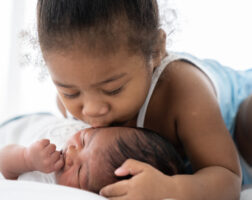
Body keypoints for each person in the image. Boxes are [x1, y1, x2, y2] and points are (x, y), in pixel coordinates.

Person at [36, 0, 252, 199]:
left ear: (156, 51)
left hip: (237, 129)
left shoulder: (182, 90)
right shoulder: (70, 106)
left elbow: (229, 178)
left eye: (113, 89)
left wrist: (170, 188)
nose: (91, 110)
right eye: (70, 93)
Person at [0, 113, 185, 193]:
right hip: (39, 118)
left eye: (80, 172)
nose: (72, 153)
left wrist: (26, 158)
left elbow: (4, 161)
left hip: (4, 138)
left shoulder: (49, 179)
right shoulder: (95, 133)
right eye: (84, 140)